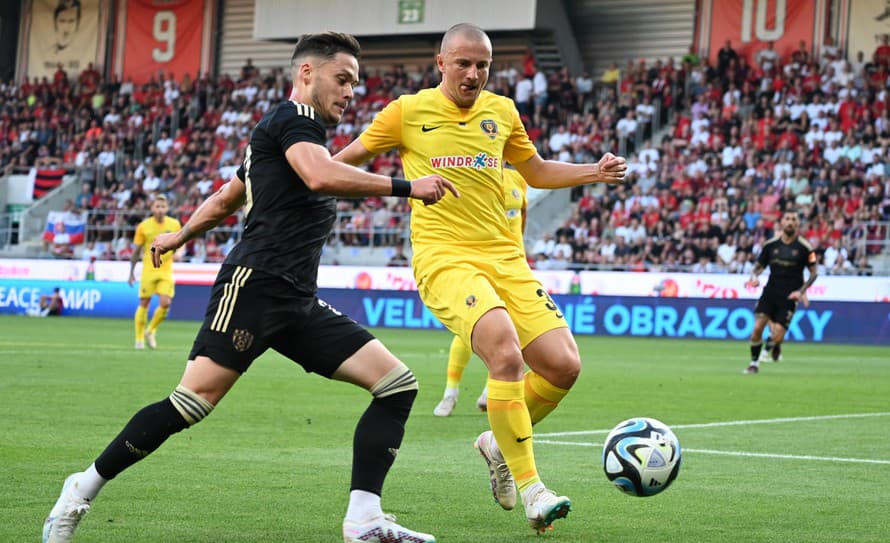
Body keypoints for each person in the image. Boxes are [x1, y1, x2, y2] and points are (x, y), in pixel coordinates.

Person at [43, 32, 456, 543]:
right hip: (253, 287)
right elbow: (318, 175)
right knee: (191, 403)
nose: (351, 91)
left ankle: (365, 520)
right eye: (342, 78)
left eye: (355, 82)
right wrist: (406, 186)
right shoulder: (292, 123)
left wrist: (179, 234)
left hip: (297, 301)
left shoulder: (289, 136)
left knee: (396, 385)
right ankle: (80, 489)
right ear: (307, 73)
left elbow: (225, 199)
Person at [334, 23, 626, 534]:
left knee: (562, 365)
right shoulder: (406, 111)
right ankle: (534, 489)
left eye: (483, 65)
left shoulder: (503, 111)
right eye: (464, 63)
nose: (474, 74)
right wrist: (393, 186)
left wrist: (592, 172)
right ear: (441, 62)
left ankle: (496, 441)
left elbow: (532, 171)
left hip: (506, 258)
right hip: (445, 257)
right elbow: (342, 166)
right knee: (504, 352)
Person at [433, 167, 528, 417]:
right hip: (479, 261)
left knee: (509, 331)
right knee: (471, 328)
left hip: (511, 266)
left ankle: (490, 390)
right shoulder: (472, 174)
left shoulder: (517, 178)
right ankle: (450, 393)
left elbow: (522, 217)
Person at [743, 210, 818, 374]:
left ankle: (776, 344)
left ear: (797, 224)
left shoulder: (805, 248)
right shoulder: (770, 245)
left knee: (777, 335)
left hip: (789, 296)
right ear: (782, 222)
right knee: (757, 328)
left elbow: (814, 273)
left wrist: (801, 291)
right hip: (770, 292)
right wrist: (753, 277)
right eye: (787, 219)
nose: (790, 222)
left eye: (794, 219)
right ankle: (754, 363)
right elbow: (757, 268)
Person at [128, 195, 182, 350]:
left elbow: (182, 241)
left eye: (163, 207)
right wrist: (131, 272)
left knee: (166, 303)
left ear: (167, 208)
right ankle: (139, 339)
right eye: (157, 206)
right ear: (152, 208)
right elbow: (136, 251)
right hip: (149, 270)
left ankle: (150, 330)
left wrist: (180, 252)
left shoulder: (174, 224)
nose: (160, 210)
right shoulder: (144, 226)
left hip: (165, 270)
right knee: (144, 302)